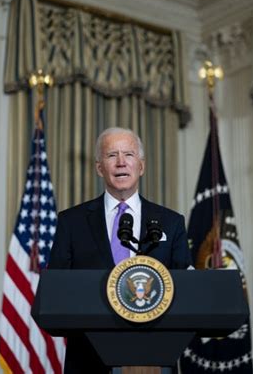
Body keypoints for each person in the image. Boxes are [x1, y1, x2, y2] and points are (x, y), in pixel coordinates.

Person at [48, 127, 192, 374]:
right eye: (112, 155)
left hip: (154, 355)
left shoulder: (171, 222)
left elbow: (187, 286)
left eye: (129, 154)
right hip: (89, 358)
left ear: (141, 166)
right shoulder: (72, 221)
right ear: (99, 168)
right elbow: (57, 288)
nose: (121, 162)